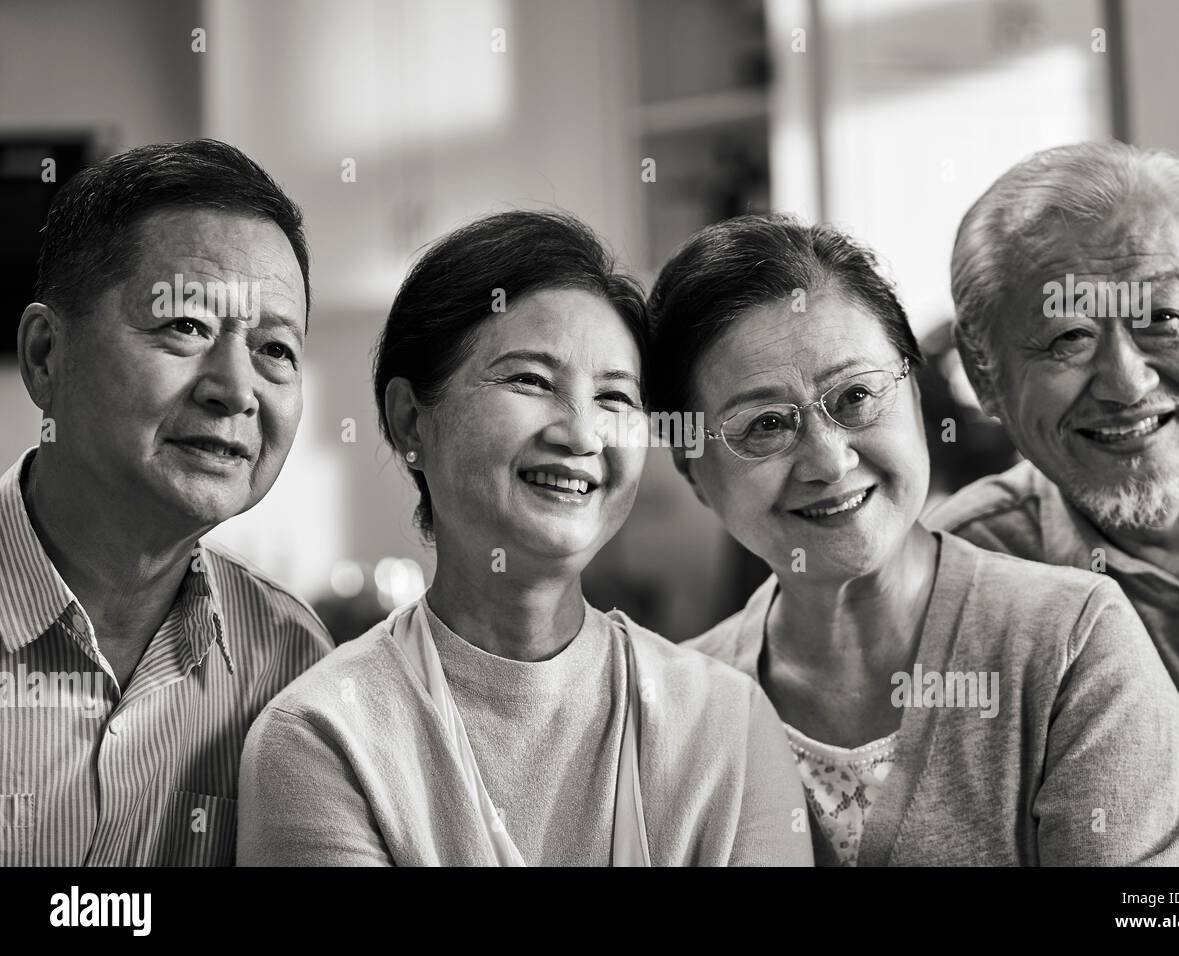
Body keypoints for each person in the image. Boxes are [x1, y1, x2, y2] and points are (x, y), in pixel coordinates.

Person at [236, 210, 812, 866]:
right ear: (409, 421)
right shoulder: (324, 736)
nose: (581, 433)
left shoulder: (725, 722)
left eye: (615, 398)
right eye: (530, 381)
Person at [647, 213, 1179, 866]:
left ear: (915, 394)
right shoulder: (676, 709)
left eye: (855, 395)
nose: (829, 461)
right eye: (765, 425)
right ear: (695, 473)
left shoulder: (1073, 645)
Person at [927, 141, 1179, 866]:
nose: (1126, 383)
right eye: (1068, 338)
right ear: (984, 378)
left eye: (1161, 317)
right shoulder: (964, 584)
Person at [0, 140, 331, 866]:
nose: (235, 389)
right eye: (185, 325)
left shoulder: (293, 662)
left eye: (275, 349)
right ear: (45, 356)